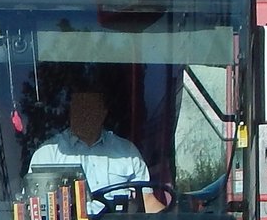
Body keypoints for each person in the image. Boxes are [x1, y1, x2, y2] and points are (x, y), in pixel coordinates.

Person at [28, 89, 165, 213]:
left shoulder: (127, 153)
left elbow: (147, 201)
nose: (83, 114)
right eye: (78, 107)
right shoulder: (47, 154)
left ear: (103, 113)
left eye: (89, 108)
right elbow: (33, 208)